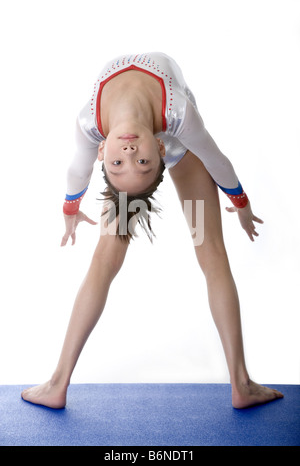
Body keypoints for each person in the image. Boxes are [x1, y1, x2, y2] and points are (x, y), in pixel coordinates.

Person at [21, 52, 283, 409]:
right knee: (104, 260)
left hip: (183, 153)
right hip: (170, 153)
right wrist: (69, 210)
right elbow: (77, 175)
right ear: (100, 150)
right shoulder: (163, 124)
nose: (128, 152)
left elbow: (212, 158)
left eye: (125, 161)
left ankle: (241, 382)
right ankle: (57, 382)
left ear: (103, 150)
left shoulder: (98, 124)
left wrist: (241, 203)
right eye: (128, 160)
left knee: (210, 252)